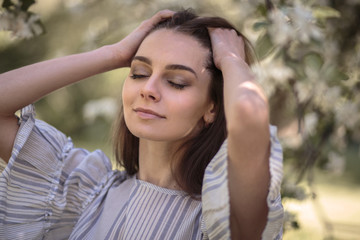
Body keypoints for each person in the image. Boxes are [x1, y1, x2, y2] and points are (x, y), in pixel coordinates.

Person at [0, 9, 283, 240]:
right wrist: (113, 54)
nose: (148, 88)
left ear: (213, 108)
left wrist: (233, 61)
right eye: (138, 72)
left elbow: (250, 132)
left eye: (176, 82)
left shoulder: (221, 219)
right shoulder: (87, 191)